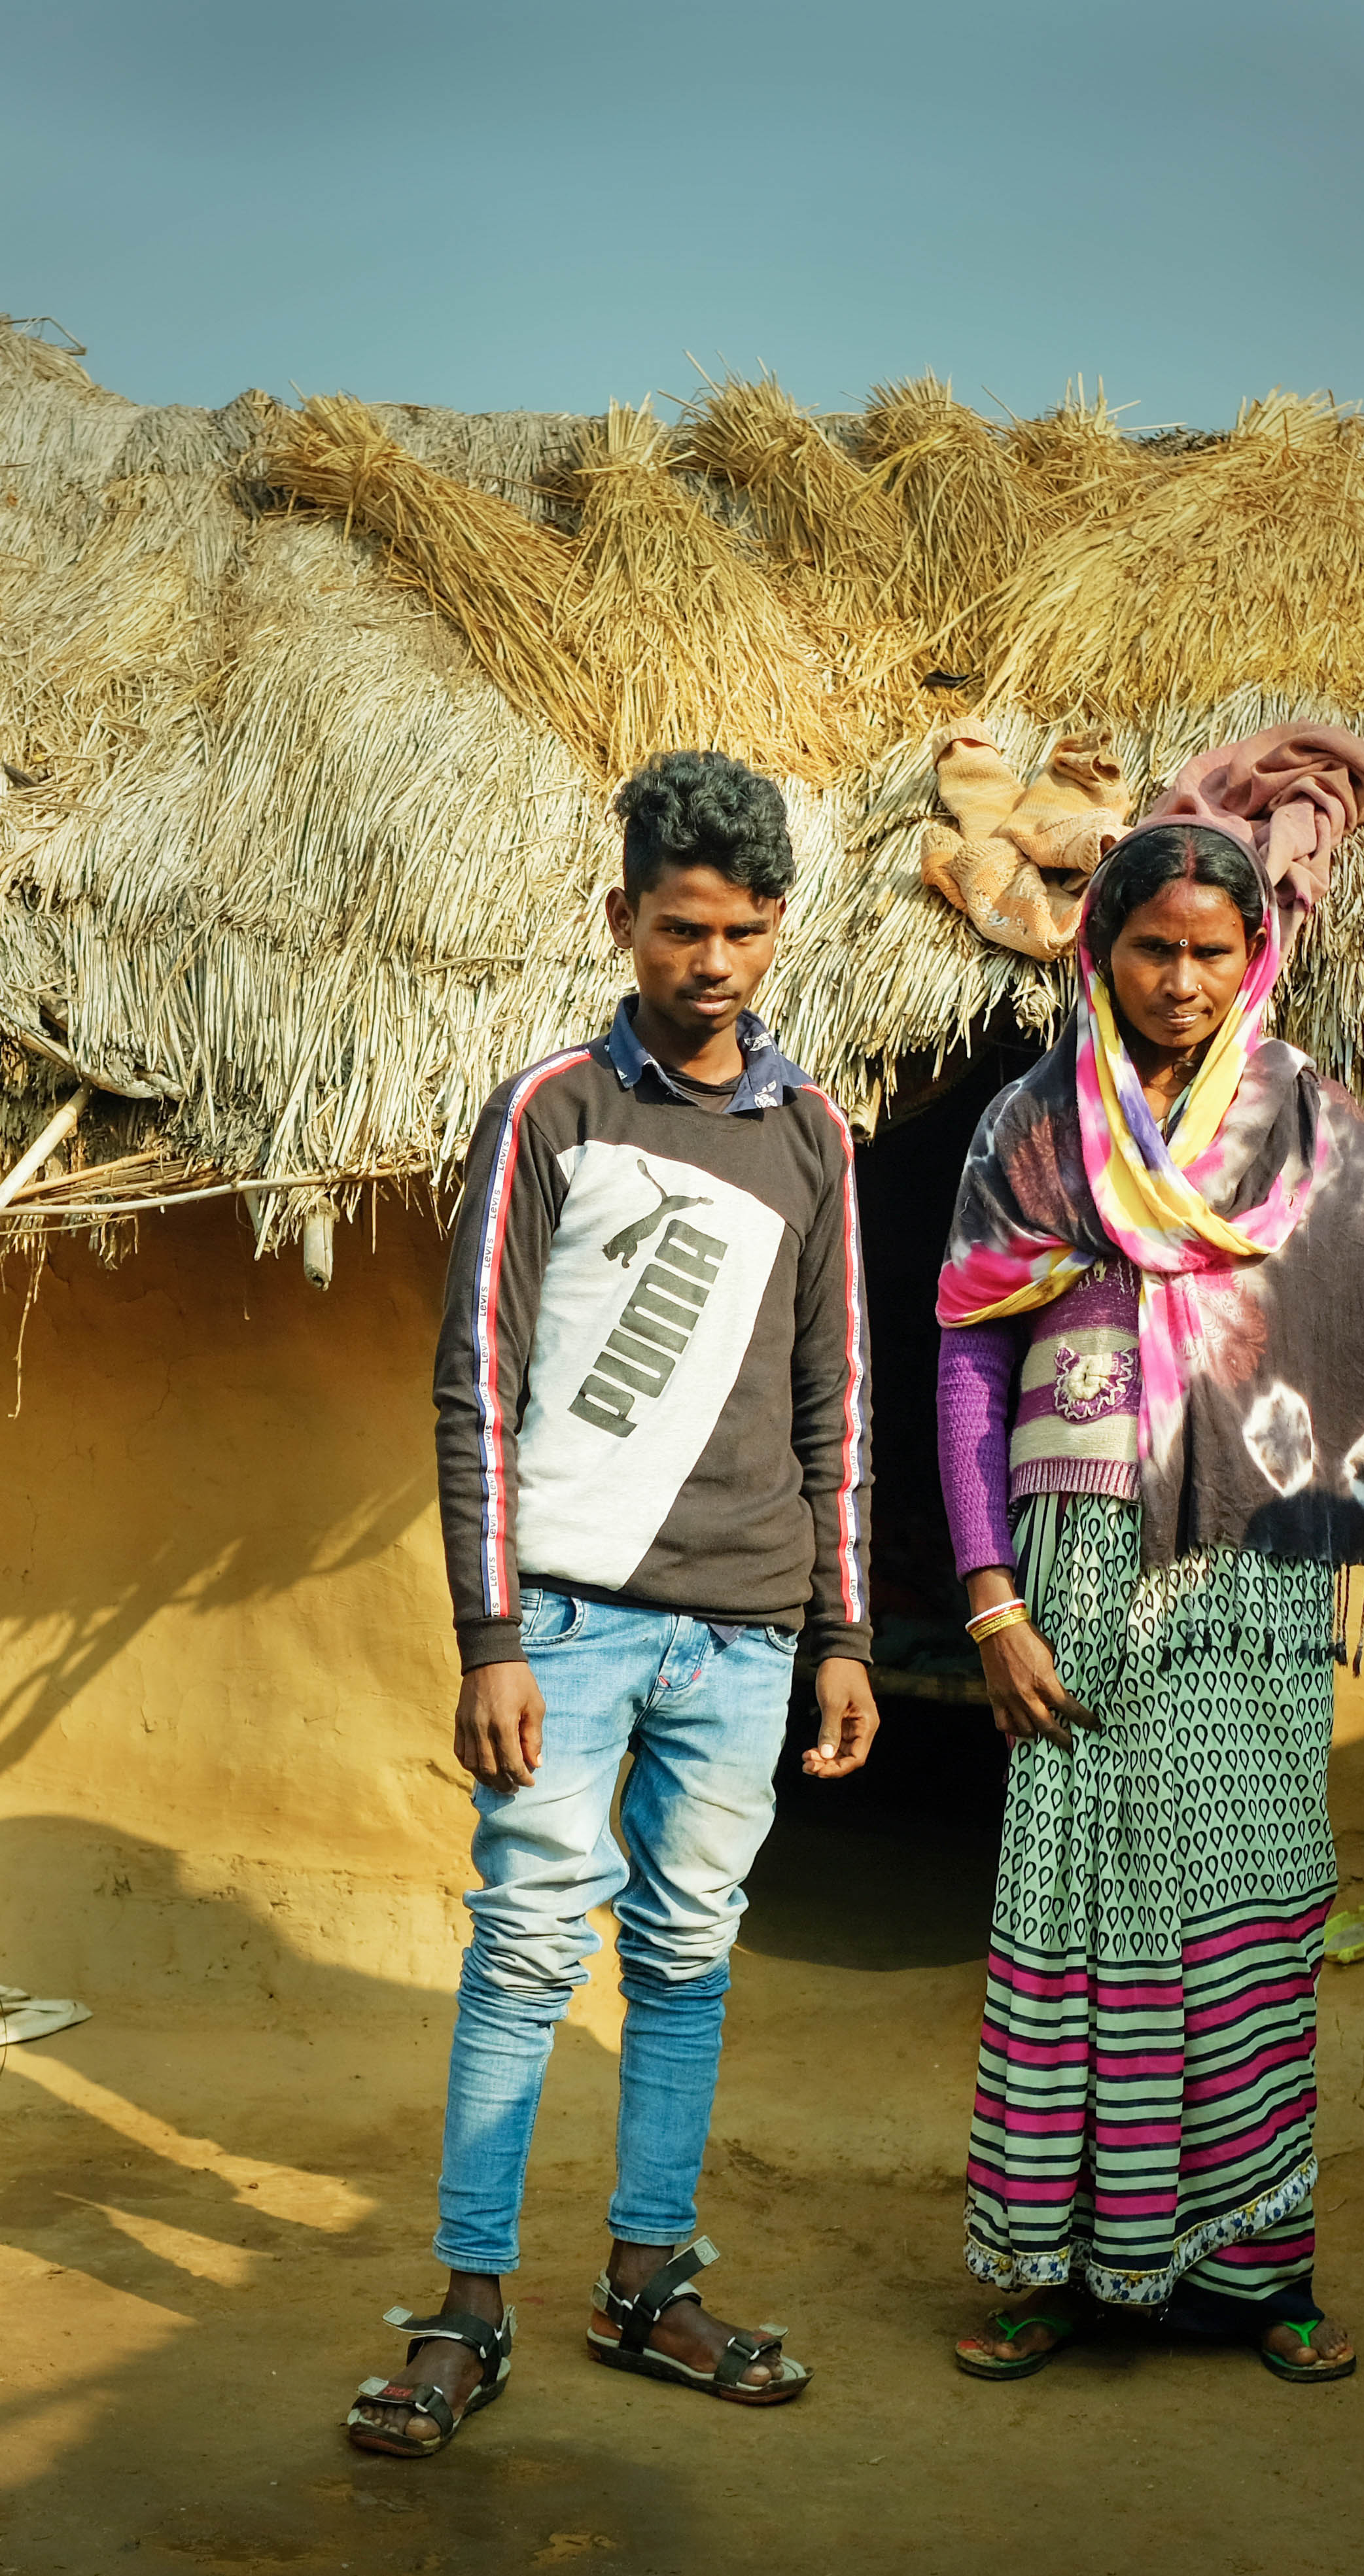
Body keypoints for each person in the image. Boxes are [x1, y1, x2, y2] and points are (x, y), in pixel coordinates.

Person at [936, 745, 1364, 2386]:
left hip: (1254, 1569)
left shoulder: (1301, 1124)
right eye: (1151, 949)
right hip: (1072, 1558)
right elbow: (967, 1362)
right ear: (1099, 951)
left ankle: (1254, 2274)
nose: (1181, 979)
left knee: (1245, 1911)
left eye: (1210, 950)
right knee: (1072, 1902)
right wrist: (986, 1592)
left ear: (1250, 952)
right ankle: (1056, 2267)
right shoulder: (1028, 1130)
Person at [347, 749, 877, 2454]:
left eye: (735, 932)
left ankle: (647, 2281)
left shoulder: (813, 1139)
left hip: (749, 1632)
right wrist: (488, 1634)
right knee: (522, 1946)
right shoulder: (552, 1109)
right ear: (621, 921)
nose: (707, 962)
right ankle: (470, 2303)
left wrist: (845, 1631)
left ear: (778, 931)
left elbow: (837, 1402)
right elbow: (473, 1384)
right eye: (674, 930)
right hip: (566, 1624)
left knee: (685, 1954)